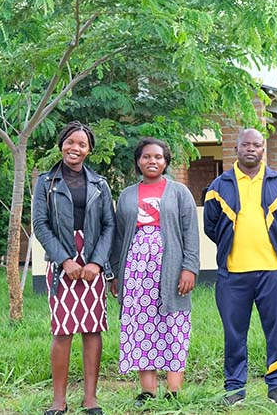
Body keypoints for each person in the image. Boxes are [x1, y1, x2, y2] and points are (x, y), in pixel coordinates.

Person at [203, 128, 277, 406]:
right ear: (236, 149)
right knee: (234, 333)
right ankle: (234, 388)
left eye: (256, 145)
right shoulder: (218, 186)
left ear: (263, 150)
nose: (251, 149)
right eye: (245, 144)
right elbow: (211, 226)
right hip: (233, 273)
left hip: (273, 272)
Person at [110, 138, 200, 406]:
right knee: (141, 325)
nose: (152, 161)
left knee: (174, 324)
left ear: (166, 162)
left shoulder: (179, 192)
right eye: (147, 156)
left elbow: (190, 234)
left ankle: (174, 391)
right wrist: (116, 273)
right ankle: (147, 391)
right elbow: (117, 238)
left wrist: (189, 268)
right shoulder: (126, 195)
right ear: (138, 161)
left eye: (158, 157)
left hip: (171, 267)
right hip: (135, 270)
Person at [32, 121, 115, 415]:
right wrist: (64, 259)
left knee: (92, 329)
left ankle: (90, 398)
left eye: (81, 144)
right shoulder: (46, 182)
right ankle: (59, 400)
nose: (75, 148)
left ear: (89, 150)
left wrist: (96, 262)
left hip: (93, 260)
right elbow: (40, 224)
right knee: (63, 330)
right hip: (61, 261)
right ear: (61, 144)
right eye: (70, 142)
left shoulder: (100, 184)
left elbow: (109, 225)